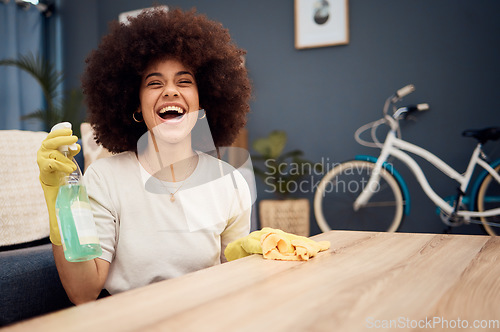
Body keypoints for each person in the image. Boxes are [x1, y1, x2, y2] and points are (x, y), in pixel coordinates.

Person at [37, 7, 253, 305]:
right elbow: (83, 293)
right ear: (136, 105)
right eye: (154, 83)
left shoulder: (230, 183)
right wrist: (60, 205)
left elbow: (237, 284)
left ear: (204, 101)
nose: (170, 91)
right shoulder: (105, 178)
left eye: (184, 81)